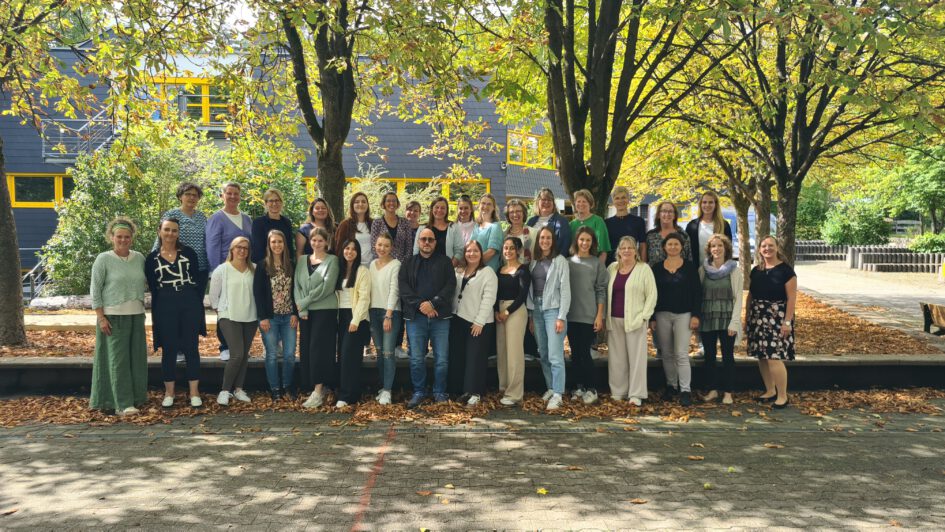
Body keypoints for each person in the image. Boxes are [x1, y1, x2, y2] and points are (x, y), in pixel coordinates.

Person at [90, 217, 149, 415]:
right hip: (113, 317)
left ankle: (137, 398)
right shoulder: (103, 259)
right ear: (111, 237)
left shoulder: (139, 258)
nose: (123, 240)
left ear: (132, 238)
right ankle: (122, 404)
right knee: (118, 361)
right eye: (119, 236)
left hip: (136, 315)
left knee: (137, 359)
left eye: (127, 237)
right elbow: (95, 290)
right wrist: (101, 317)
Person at [146, 218, 205, 409]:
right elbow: (153, 285)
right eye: (167, 229)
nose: (170, 233)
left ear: (178, 233)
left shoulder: (188, 253)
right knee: (169, 348)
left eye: (174, 230)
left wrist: (194, 302)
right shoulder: (152, 258)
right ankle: (169, 393)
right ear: (159, 231)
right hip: (165, 303)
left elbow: (197, 278)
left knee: (191, 347)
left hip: (189, 301)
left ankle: (194, 392)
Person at [400, 227, 456, 408]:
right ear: (418, 242)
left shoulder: (445, 262)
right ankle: (419, 392)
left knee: (442, 359)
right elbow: (404, 288)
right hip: (416, 318)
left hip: (441, 317)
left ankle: (439, 392)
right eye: (423, 239)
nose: (426, 242)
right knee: (417, 358)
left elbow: (450, 286)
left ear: (435, 242)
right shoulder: (408, 262)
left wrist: (433, 303)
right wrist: (422, 306)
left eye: (430, 240)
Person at [650, 233, 702, 406]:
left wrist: (696, 315)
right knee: (666, 353)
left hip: (684, 315)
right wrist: (652, 317)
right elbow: (651, 294)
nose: (673, 247)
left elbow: (697, 292)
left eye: (676, 244)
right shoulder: (657, 268)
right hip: (662, 315)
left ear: (681, 247)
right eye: (669, 244)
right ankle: (671, 386)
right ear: (664, 247)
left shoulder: (690, 267)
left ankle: (685, 390)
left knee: (681, 353)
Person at [746, 235, 796, 409]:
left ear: (777, 248)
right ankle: (770, 390)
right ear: (760, 250)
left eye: (771, 245)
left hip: (777, 317)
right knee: (762, 357)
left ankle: (782, 396)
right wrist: (747, 317)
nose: (767, 249)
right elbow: (751, 295)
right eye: (764, 246)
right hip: (757, 316)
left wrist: (787, 322)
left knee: (773, 356)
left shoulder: (786, 271)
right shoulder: (756, 270)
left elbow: (791, 298)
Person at [607, 236, 657, 406]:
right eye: (623, 248)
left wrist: (644, 317)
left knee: (637, 359)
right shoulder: (612, 268)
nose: (627, 250)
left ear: (636, 251)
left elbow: (652, 295)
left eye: (630, 248)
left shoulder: (644, 269)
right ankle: (618, 391)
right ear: (618, 251)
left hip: (635, 320)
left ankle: (636, 394)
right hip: (614, 320)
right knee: (616, 358)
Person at [206, 182, 252, 361]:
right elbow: (212, 246)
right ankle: (225, 346)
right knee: (225, 308)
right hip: (225, 271)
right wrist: (215, 272)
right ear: (222, 196)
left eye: (236, 193)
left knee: (242, 306)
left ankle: (240, 346)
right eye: (229, 193)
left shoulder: (246, 219)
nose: (233, 196)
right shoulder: (216, 218)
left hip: (244, 270)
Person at [294, 227, 340, 408]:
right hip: (306, 312)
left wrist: (305, 302)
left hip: (325, 311)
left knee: (319, 349)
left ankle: (319, 391)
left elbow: (327, 287)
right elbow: (297, 285)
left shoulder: (332, 260)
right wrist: (302, 309)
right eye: (314, 240)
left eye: (321, 240)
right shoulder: (302, 260)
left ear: (326, 242)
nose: (317, 243)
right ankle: (313, 386)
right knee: (306, 348)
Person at [209, 237, 258, 406]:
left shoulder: (254, 269)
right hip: (229, 316)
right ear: (231, 249)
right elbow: (213, 296)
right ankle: (224, 391)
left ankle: (239, 389)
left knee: (244, 355)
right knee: (236, 354)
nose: (242, 250)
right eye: (238, 247)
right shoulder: (222, 269)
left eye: (245, 248)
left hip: (251, 316)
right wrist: (220, 311)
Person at [448, 241, 498, 406]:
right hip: (458, 318)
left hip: (478, 322)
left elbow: (489, 298)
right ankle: (461, 391)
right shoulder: (458, 271)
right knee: (459, 356)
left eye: (475, 251)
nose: (472, 254)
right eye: (468, 251)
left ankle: (475, 392)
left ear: (481, 253)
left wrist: (479, 321)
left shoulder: (487, 272)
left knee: (475, 358)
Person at [528, 226, 571, 411]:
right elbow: (530, 290)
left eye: (548, 238)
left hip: (553, 310)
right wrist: (531, 315)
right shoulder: (534, 261)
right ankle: (551, 387)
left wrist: (561, 316)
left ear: (553, 241)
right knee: (543, 353)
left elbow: (566, 291)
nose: (545, 241)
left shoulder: (560, 261)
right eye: (542, 238)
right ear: (538, 241)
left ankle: (558, 394)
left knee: (555, 355)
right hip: (537, 310)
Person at [253, 229, 298, 400]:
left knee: (289, 355)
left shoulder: (291, 264)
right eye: (273, 242)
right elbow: (258, 293)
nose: (277, 245)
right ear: (269, 244)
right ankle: (275, 388)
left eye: (280, 241)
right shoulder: (262, 265)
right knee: (271, 354)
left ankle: (287, 386)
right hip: (270, 318)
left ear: (284, 244)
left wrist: (295, 313)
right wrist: (263, 317)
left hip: (288, 317)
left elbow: (296, 290)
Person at [699, 234, 742, 405]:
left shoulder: (734, 270)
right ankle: (712, 390)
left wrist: (735, 323)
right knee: (709, 356)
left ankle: (728, 392)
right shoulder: (703, 270)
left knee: (727, 356)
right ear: (709, 249)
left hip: (727, 318)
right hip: (707, 318)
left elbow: (738, 298)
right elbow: (698, 295)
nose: (716, 249)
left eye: (720, 246)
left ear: (726, 248)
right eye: (713, 246)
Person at [566, 227, 608, 405]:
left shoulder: (597, 263)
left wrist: (599, 316)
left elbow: (601, 290)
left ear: (592, 243)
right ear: (576, 241)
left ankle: (592, 388)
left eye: (588, 240)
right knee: (575, 353)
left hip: (589, 315)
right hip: (570, 315)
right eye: (582, 239)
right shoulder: (567, 262)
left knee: (585, 353)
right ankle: (579, 387)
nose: (584, 243)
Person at [335, 239, 371, 408]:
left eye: (353, 249)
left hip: (356, 317)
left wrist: (355, 320)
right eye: (347, 248)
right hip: (340, 316)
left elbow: (364, 298)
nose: (349, 252)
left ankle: (346, 395)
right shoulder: (339, 269)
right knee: (342, 356)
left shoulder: (362, 271)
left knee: (349, 356)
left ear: (358, 253)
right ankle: (351, 393)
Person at [495, 237, 530, 407]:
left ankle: (515, 394)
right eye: (505, 248)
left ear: (518, 251)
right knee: (502, 351)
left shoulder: (523, 270)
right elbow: (495, 292)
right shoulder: (499, 269)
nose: (508, 251)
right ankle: (504, 387)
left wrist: (507, 311)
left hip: (515, 311)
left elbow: (522, 295)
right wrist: (497, 311)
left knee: (514, 352)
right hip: (500, 312)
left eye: (511, 248)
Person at [155, 182, 209, 293]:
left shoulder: (202, 217)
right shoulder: (171, 215)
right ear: (180, 196)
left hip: (200, 267)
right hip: (178, 267)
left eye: (195, 195)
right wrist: (154, 260)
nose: (191, 197)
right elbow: (161, 238)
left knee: (197, 300)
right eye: (187, 194)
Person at [369, 233, 401, 405]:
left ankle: (388, 391)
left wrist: (388, 315)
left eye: (386, 246)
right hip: (373, 312)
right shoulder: (372, 264)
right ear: (375, 245)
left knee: (388, 353)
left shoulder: (396, 265)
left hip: (390, 313)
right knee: (380, 352)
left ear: (392, 248)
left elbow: (394, 291)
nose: (382, 248)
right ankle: (383, 387)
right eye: (380, 245)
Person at [685, 190, 733, 267]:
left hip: (718, 269)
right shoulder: (692, 226)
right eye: (704, 202)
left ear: (715, 205)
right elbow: (686, 250)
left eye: (710, 202)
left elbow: (728, 250)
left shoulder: (724, 225)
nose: (707, 205)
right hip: (696, 269)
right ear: (700, 204)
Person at [413, 196, 462, 264]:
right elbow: (416, 251)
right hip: (424, 267)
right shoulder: (422, 228)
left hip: (446, 267)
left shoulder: (454, 227)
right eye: (437, 207)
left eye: (443, 208)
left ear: (446, 210)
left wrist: (450, 266)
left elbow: (459, 250)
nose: (439, 210)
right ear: (432, 209)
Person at [642, 201, 692, 266]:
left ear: (674, 215)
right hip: (654, 272)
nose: (667, 214)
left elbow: (689, 259)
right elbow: (644, 261)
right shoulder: (650, 236)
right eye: (664, 211)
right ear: (658, 215)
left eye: (670, 211)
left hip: (680, 272)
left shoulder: (683, 235)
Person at [251, 189, 295, 263]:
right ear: (266, 203)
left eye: (277, 200)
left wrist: (289, 264)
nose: (274, 204)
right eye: (271, 201)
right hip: (264, 265)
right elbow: (257, 250)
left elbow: (289, 247)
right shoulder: (258, 223)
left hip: (284, 265)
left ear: (281, 202)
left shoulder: (287, 222)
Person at [605, 186, 646, 265]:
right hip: (611, 265)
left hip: (633, 265)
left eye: (623, 197)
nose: (620, 201)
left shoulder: (638, 221)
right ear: (613, 201)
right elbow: (604, 249)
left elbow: (642, 246)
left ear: (628, 200)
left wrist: (643, 266)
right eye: (617, 198)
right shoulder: (606, 223)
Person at [568, 189, 611, 263]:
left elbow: (603, 251)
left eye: (584, 201)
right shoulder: (571, 224)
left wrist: (599, 267)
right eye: (578, 201)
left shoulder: (598, 221)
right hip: (575, 264)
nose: (581, 204)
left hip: (594, 264)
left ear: (590, 204)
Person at [527, 187, 571, 257]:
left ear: (553, 204)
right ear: (538, 202)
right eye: (543, 199)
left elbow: (564, 246)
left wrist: (556, 261)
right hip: (532, 260)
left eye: (549, 200)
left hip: (552, 261)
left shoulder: (561, 221)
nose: (546, 202)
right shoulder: (531, 221)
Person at [371, 192, 413, 262]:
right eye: (388, 201)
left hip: (402, 264)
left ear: (397, 204)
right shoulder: (377, 223)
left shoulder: (405, 222)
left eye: (394, 201)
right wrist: (382, 263)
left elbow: (409, 247)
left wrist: (404, 263)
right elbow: (374, 247)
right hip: (383, 263)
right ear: (384, 204)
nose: (391, 203)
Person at [334, 191, 373, 265]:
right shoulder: (345, 224)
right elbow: (339, 248)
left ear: (367, 205)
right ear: (352, 205)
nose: (360, 204)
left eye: (363, 202)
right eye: (357, 202)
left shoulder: (373, 223)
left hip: (372, 266)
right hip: (353, 266)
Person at [471, 193, 504, 271]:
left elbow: (491, 252)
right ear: (479, 206)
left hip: (487, 271)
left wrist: (474, 265)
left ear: (493, 208)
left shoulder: (495, 226)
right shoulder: (476, 226)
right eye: (483, 203)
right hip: (475, 270)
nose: (485, 206)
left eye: (489, 204)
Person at [503, 199, 533, 265]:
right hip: (507, 270)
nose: (515, 214)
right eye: (511, 212)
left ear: (523, 213)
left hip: (529, 270)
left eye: (518, 211)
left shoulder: (534, 233)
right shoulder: (503, 235)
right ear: (508, 215)